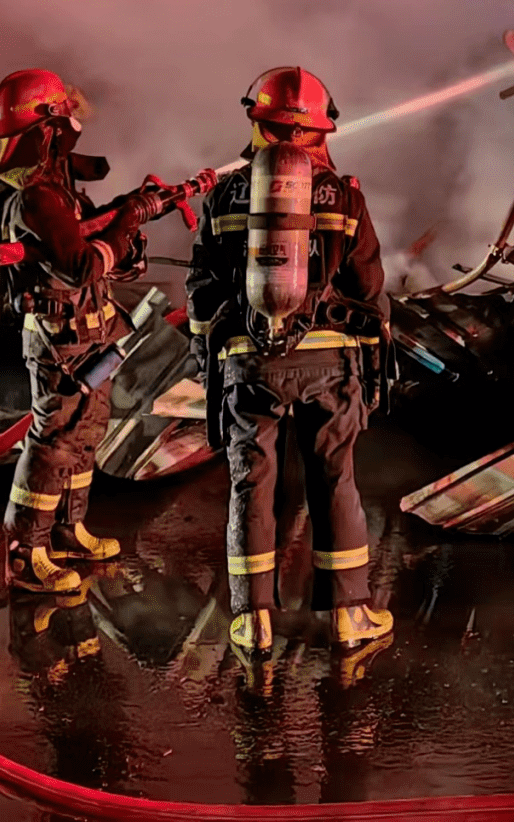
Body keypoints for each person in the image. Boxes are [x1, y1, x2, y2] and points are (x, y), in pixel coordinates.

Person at [186, 66, 393, 659]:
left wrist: (208, 363)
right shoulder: (342, 194)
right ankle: (351, 616)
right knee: (335, 479)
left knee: (251, 484)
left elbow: (201, 291)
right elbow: (369, 287)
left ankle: (252, 622)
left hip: (248, 366)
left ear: (259, 120)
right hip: (329, 365)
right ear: (320, 130)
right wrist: (372, 364)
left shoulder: (225, 194)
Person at [0, 69, 148, 593]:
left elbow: (91, 235)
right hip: (60, 342)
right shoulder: (33, 195)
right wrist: (127, 226)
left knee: (86, 434)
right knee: (52, 441)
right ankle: (26, 551)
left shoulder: (55, 183)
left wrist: (128, 217)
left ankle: (68, 530)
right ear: (48, 127)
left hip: (92, 333)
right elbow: (79, 265)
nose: (75, 124)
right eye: (65, 117)